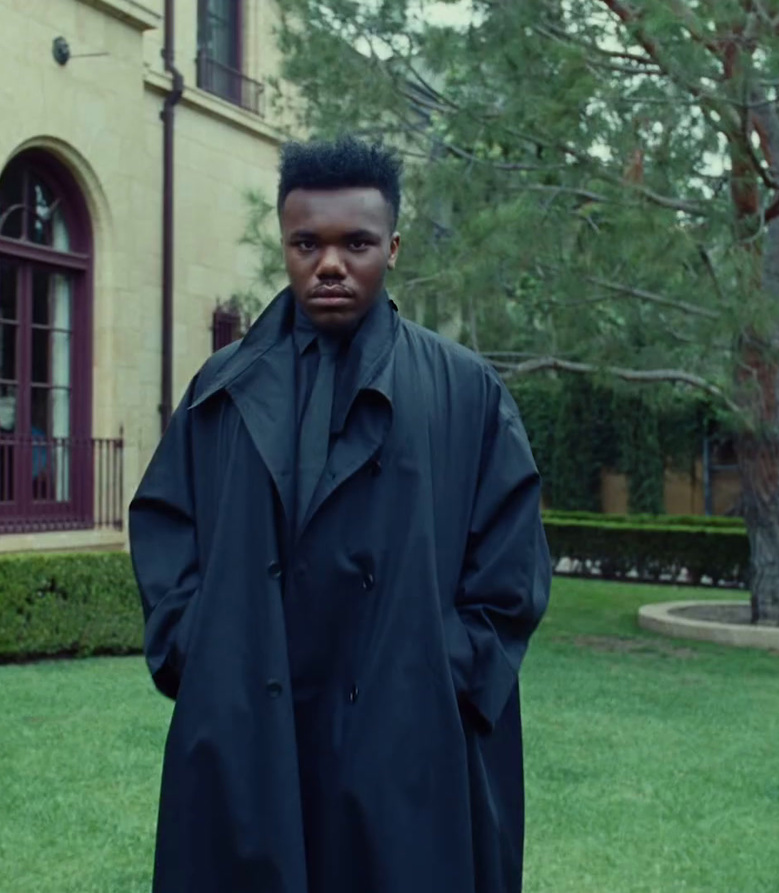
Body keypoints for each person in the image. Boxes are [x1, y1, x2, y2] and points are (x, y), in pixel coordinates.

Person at [129, 136, 551, 893]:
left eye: (355, 243)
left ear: (392, 245)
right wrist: (197, 652)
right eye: (307, 243)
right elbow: (167, 524)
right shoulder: (220, 390)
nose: (330, 264)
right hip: (248, 726)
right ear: (284, 244)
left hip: (406, 733)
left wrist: (439, 672)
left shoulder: (466, 391)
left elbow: (511, 571)